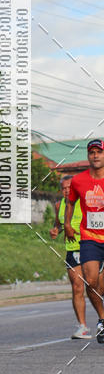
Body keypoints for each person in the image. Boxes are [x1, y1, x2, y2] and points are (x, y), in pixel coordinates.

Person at [65, 139, 104, 343]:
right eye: (92, 152)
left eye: (99, 152)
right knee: (91, 281)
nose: (95, 155)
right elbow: (70, 203)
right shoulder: (79, 181)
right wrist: (67, 224)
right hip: (89, 237)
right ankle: (102, 320)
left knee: (102, 286)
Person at [50, 175, 89, 339]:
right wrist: (55, 230)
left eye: (69, 187)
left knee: (97, 287)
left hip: (91, 246)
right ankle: (82, 327)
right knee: (77, 287)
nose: (66, 191)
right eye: (64, 188)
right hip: (73, 249)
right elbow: (58, 224)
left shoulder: (85, 201)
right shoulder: (59, 205)